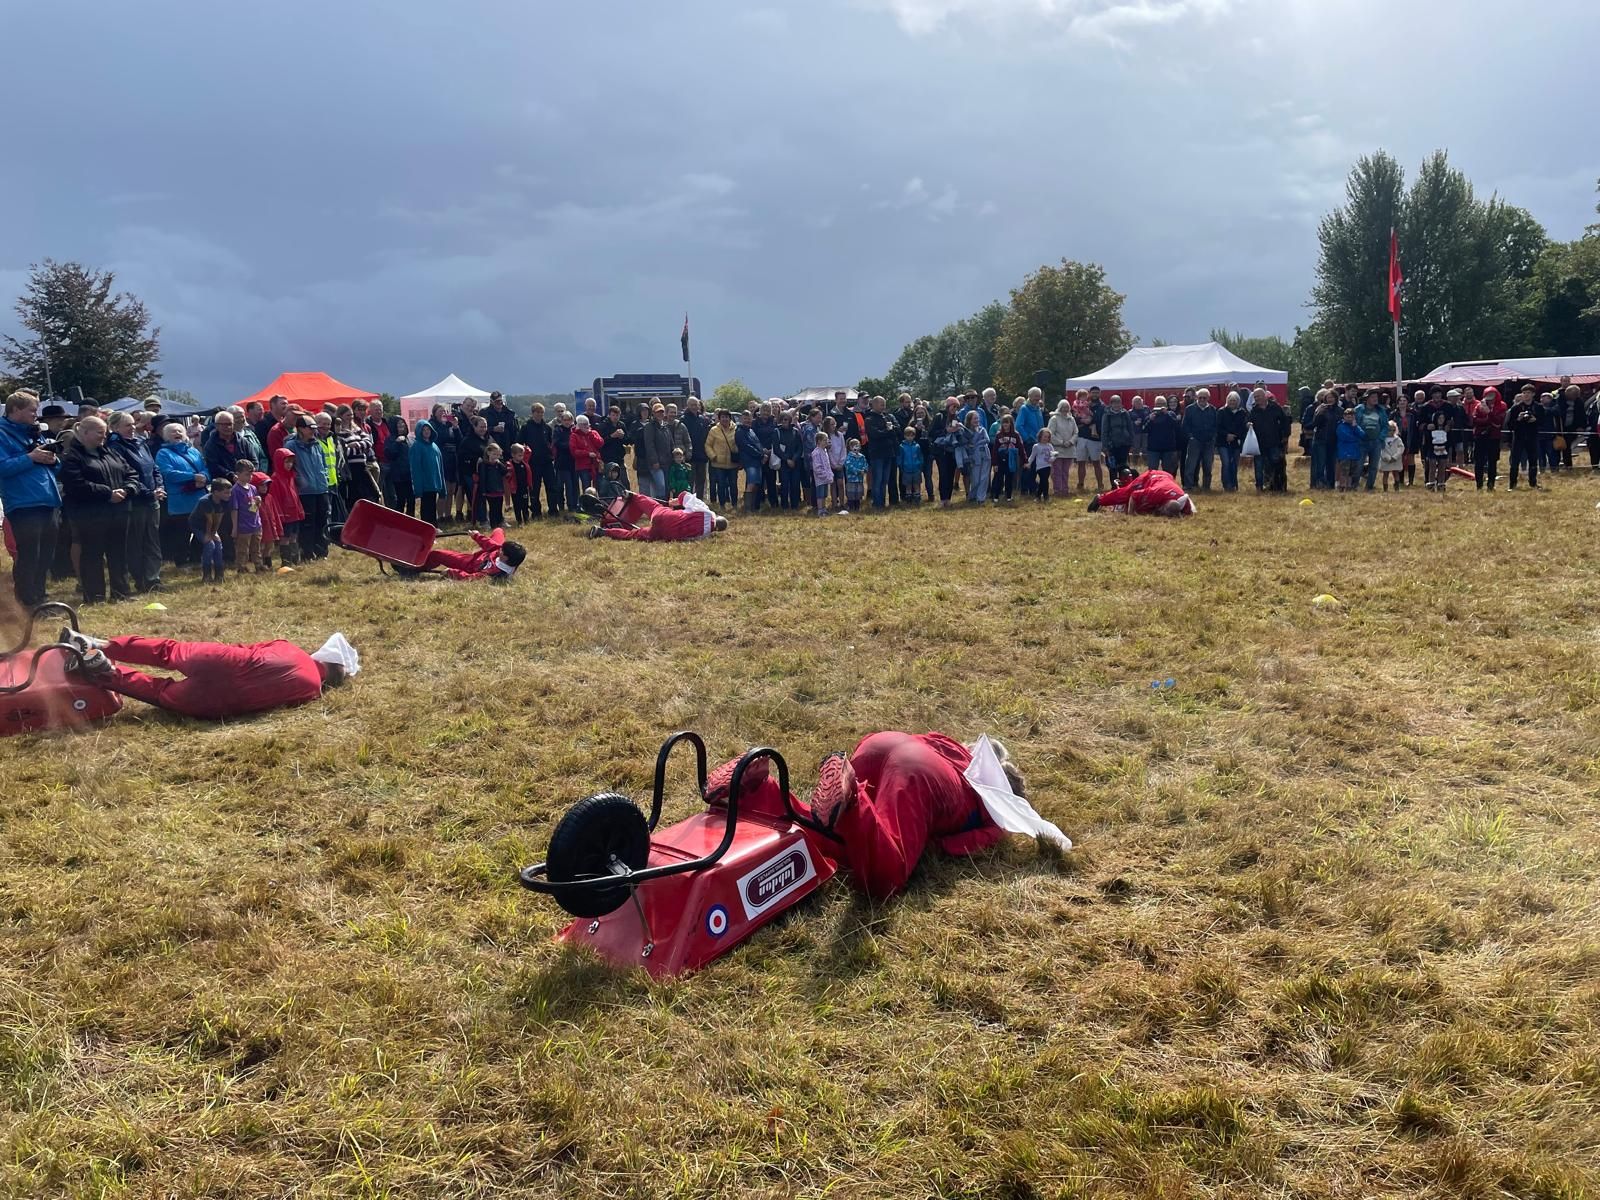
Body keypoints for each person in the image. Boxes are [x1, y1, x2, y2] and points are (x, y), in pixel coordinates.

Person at [806, 732, 1064, 900]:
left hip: (880, 743)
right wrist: (929, 844)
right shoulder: (997, 815)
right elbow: (959, 845)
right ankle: (852, 796)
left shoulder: (952, 748)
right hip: (918, 771)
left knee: (836, 837)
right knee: (887, 876)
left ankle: (771, 795)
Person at [65, 628, 355, 719]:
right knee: (161, 692)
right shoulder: (311, 692)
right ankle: (106, 672)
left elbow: (248, 646)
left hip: (222, 661)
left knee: (166, 651)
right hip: (219, 700)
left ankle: (98, 644)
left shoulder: (291, 648)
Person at [61, 415, 139, 604]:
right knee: (93, 555)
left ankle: (121, 592)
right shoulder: (72, 457)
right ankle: (95, 596)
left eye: (105, 433)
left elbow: (131, 473)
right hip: (90, 515)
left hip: (119, 512)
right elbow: (76, 485)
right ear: (85, 432)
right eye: (99, 433)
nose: (103, 437)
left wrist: (128, 489)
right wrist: (107, 493)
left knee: (118, 553)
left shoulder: (110, 453)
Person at [0, 390, 64, 607]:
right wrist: (30, 457)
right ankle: (27, 602)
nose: (36, 415)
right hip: (23, 504)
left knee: (46, 555)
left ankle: (41, 597)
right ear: (15, 409)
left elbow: (55, 467)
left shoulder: (34, 433)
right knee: (29, 556)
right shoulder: (2, 434)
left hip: (49, 500)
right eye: (32, 410)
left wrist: (52, 459)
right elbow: (2, 468)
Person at [106, 412, 166, 593]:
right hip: (136, 500)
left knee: (153, 540)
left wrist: (159, 486)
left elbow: (154, 467)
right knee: (136, 542)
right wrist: (149, 492)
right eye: (127, 425)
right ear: (115, 428)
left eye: (133, 424)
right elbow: (126, 474)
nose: (132, 427)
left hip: (153, 498)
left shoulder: (141, 443)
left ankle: (153, 578)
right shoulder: (115, 447)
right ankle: (140, 579)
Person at [585, 490, 729, 542]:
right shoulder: (704, 535)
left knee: (653, 506)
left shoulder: (706, 511)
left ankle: (633, 496)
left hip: (665, 516)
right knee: (634, 534)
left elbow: (685, 495)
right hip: (664, 534)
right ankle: (602, 532)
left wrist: (675, 501)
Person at [405, 527, 525, 580]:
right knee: (498, 531)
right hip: (484, 556)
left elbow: (470, 578)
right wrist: (477, 536)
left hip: (471, 564)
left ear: (504, 556)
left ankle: (415, 568)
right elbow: (494, 547)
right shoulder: (507, 557)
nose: (499, 550)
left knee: (437, 554)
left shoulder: (492, 573)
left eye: (502, 551)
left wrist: (451, 573)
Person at [288, 416, 332, 559]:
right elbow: (288, 467)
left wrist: (324, 477)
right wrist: (300, 481)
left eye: (314, 428)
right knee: (308, 523)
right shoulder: (291, 446)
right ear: (301, 428)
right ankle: (307, 553)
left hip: (321, 489)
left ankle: (321, 552)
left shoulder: (317, 444)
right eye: (310, 428)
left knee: (322, 520)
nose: (314, 431)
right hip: (305, 492)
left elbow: (323, 464)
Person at [1087, 468, 1195, 517]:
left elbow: (1190, 508)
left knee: (1146, 508)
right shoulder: (1155, 493)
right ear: (1165, 505)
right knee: (1126, 493)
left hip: (1167, 478)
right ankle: (1100, 499)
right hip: (1151, 477)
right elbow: (1134, 495)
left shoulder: (1183, 501)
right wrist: (1130, 515)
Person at [190, 477, 233, 584]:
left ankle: (219, 575)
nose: (229, 495)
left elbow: (219, 518)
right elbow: (209, 520)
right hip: (198, 525)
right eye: (226, 493)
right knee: (210, 545)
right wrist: (209, 535)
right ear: (216, 492)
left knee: (218, 545)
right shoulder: (205, 502)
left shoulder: (224, 501)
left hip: (212, 524)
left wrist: (214, 534)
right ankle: (207, 574)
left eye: (229, 493)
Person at [268, 446, 306, 563]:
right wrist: (280, 516)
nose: (289, 465)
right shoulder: (275, 479)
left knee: (294, 536)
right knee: (285, 538)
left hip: (294, 513)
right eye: (286, 462)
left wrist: (300, 510)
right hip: (285, 515)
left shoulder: (291, 476)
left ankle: (295, 560)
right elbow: (276, 500)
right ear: (279, 462)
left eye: (291, 462)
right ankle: (286, 561)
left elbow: (295, 495)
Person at [230, 458, 266, 573]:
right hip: (243, 525)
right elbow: (234, 509)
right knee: (243, 549)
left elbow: (254, 508)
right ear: (238, 474)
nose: (250, 477)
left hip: (255, 523)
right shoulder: (235, 490)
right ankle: (241, 567)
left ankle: (258, 565)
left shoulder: (253, 488)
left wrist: (258, 502)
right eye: (246, 474)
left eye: (251, 474)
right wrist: (235, 528)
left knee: (256, 547)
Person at [1505, 385, 1544, 490]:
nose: (1526, 395)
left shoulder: (1538, 407)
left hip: (1532, 437)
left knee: (1533, 461)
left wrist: (1535, 420)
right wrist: (1518, 419)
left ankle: (1533, 483)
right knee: (1515, 462)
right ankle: (1512, 485)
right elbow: (1510, 425)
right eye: (1524, 393)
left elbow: (1543, 423)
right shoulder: (1516, 408)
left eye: (1528, 393)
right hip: (1518, 437)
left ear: (1533, 394)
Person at [407, 420, 445, 525]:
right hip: (425, 484)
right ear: (419, 431)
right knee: (426, 508)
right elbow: (415, 469)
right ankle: (427, 527)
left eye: (428, 429)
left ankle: (433, 526)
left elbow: (440, 467)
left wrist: (442, 485)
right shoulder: (416, 447)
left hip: (434, 483)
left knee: (433, 506)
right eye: (423, 430)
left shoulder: (435, 446)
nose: (426, 432)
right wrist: (418, 487)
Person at [1181, 388, 1217, 491]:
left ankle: (1206, 487)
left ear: (1208, 398)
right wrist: (1190, 437)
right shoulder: (1190, 409)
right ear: (1196, 397)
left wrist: (1213, 437)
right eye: (1200, 397)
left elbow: (1215, 425)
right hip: (1194, 441)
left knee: (1207, 465)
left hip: (1209, 442)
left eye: (1204, 398)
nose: (1202, 399)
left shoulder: (1213, 410)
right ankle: (1188, 486)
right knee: (1190, 465)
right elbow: (1185, 425)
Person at [703, 409, 738, 510]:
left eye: (726, 417)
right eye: (722, 417)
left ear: (730, 418)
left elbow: (740, 443)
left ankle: (734, 504)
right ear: (719, 418)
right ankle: (722, 504)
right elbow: (707, 445)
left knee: (733, 484)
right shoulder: (714, 430)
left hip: (733, 463)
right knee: (721, 485)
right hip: (719, 463)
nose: (725, 419)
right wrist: (713, 456)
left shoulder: (736, 429)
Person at [1471, 387, 1504, 490]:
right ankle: (1479, 485)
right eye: (1488, 395)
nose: (1490, 397)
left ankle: (1491, 485)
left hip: (1494, 437)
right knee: (1479, 462)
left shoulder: (1501, 405)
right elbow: (1475, 420)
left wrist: (1488, 413)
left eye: (1492, 395)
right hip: (1480, 436)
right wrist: (1488, 420)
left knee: (1492, 461)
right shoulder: (1478, 406)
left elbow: (1499, 421)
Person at [1216, 392, 1248, 492]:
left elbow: (1243, 427)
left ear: (1238, 401)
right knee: (1226, 463)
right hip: (1223, 442)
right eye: (1230, 400)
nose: (1232, 402)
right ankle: (1226, 485)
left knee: (1234, 464)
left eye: (1234, 400)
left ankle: (1234, 484)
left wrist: (1235, 436)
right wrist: (1227, 435)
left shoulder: (1242, 412)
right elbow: (1217, 427)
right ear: (1227, 401)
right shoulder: (1221, 411)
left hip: (1236, 442)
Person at [1074, 392, 1104, 494]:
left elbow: (1099, 419)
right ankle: (1080, 483)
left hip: (1094, 438)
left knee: (1096, 462)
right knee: (1081, 462)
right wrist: (1082, 420)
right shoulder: (1076, 404)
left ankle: (1100, 484)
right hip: (1081, 436)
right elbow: (1074, 417)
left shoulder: (1100, 406)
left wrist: (1090, 421)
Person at [1045, 401, 1077, 497]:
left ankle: (1065, 489)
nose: (1065, 409)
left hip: (1069, 449)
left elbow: (1076, 433)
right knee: (1057, 471)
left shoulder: (1072, 419)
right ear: (1059, 408)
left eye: (1067, 407)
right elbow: (1050, 433)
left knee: (1065, 471)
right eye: (1063, 407)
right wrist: (1061, 442)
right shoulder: (1054, 419)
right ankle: (1057, 490)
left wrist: (1070, 442)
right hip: (1057, 449)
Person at [1100, 395, 1134, 479]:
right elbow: (1104, 432)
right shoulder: (1107, 415)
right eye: (1114, 403)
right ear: (1111, 404)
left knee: (1124, 466)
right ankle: (1114, 487)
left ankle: (1124, 485)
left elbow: (1130, 428)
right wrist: (1105, 447)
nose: (1117, 405)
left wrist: (1131, 442)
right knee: (1113, 467)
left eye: (1118, 403)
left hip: (1124, 444)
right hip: (1112, 445)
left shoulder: (1125, 413)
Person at [476, 442, 509, 529]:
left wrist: (500, 463)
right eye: (494, 454)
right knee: (492, 508)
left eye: (498, 455)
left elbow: (505, 472)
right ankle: (493, 524)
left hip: (499, 490)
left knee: (499, 507)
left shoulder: (498, 464)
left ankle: (500, 521)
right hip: (489, 491)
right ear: (488, 453)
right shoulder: (483, 465)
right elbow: (482, 478)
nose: (496, 457)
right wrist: (483, 491)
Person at [1334, 408, 1364, 492]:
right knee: (1344, 471)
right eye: (1348, 417)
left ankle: (1349, 487)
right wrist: (1356, 438)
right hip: (1345, 453)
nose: (1350, 419)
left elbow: (1363, 435)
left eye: (1351, 417)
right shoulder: (1341, 426)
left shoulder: (1356, 427)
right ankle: (1342, 486)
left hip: (1354, 453)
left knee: (1352, 472)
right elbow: (1346, 437)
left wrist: (1355, 428)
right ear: (1344, 417)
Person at [896, 425, 923, 505]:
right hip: (906, 469)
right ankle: (908, 498)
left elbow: (920, 456)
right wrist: (900, 465)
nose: (910, 437)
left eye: (912, 435)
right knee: (908, 485)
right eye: (908, 435)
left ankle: (917, 498)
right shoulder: (902, 446)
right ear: (904, 436)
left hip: (916, 468)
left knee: (916, 484)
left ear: (914, 436)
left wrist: (920, 464)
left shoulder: (917, 446)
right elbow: (900, 457)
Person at [1426, 411, 1451, 493]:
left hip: (1443, 450)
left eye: (1443, 418)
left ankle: (1441, 484)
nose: (1441, 420)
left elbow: (1449, 442)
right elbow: (1428, 441)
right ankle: (1431, 483)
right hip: (1433, 450)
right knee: (1432, 467)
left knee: (1442, 468)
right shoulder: (1431, 429)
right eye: (1439, 418)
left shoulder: (1446, 430)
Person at [1026, 428, 1054, 501]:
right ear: (1040, 436)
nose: (1046, 438)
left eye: (1048, 437)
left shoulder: (1050, 446)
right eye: (1044, 436)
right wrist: (1028, 463)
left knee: (1043, 481)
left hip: (1048, 466)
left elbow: (1053, 455)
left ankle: (1038, 496)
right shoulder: (1036, 446)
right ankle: (1046, 496)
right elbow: (1032, 456)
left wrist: (1052, 459)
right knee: (1044, 480)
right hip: (1040, 467)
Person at [809, 431, 833, 517]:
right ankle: (820, 509)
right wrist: (824, 475)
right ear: (819, 441)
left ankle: (824, 508)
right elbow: (817, 467)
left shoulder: (824, 451)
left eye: (827, 440)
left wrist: (830, 475)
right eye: (824, 440)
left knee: (824, 494)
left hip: (826, 477)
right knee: (820, 495)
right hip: (820, 478)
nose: (826, 442)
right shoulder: (816, 452)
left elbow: (827, 464)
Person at [1378, 421, 1405, 492]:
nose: (1392, 431)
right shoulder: (1382, 439)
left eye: (1393, 430)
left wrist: (1395, 457)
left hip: (1395, 460)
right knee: (1385, 474)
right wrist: (1387, 458)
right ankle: (1385, 489)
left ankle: (1397, 487)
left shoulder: (1398, 439)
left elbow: (1401, 448)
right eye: (1389, 430)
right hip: (1386, 460)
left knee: (1396, 473)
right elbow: (1381, 449)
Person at [843, 439, 868, 511]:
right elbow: (849, 466)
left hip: (859, 479)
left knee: (858, 493)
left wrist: (864, 469)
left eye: (858, 446)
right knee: (851, 494)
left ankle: (857, 507)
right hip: (851, 479)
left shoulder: (862, 457)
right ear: (850, 447)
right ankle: (851, 507)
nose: (857, 448)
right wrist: (858, 471)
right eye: (855, 446)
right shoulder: (849, 457)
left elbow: (865, 464)